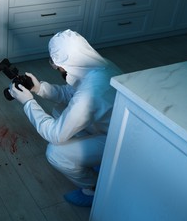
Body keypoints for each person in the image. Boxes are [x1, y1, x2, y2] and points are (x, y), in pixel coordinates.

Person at [9, 29, 123, 207]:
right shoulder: (98, 67)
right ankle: (94, 160)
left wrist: (28, 103)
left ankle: (95, 188)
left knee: (56, 153)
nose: (58, 69)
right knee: (60, 110)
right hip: (113, 125)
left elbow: (56, 135)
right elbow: (71, 94)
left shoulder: (90, 92)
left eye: (58, 66)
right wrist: (39, 89)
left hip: (119, 141)